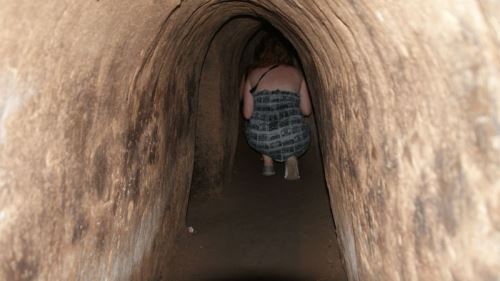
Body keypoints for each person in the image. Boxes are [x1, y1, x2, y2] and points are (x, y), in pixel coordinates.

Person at [241, 33, 312, 180]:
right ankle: (291, 156)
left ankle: (268, 162)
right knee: (294, 123)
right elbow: (306, 111)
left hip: (263, 138)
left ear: (260, 53)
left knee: (261, 123)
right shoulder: (297, 74)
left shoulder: (253, 75)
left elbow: (247, 114)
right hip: (295, 136)